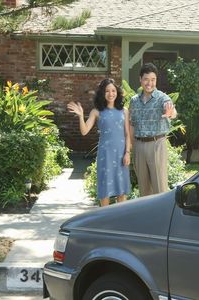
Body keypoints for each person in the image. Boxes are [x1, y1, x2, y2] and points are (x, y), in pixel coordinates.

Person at [67, 78, 131, 207]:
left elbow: (127, 134)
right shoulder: (96, 112)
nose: (111, 93)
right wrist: (80, 116)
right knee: (105, 187)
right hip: (105, 155)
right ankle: (105, 218)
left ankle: (120, 217)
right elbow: (84, 131)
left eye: (113, 90)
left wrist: (127, 153)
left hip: (121, 154)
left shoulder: (124, 111)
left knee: (121, 187)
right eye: (107, 91)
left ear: (117, 92)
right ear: (102, 93)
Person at [129, 63, 177, 196]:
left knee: (159, 187)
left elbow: (172, 111)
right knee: (143, 189)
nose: (149, 83)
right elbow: (132, 124)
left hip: (156, 145)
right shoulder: (134, 101)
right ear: (140, 79)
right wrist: (132, 148)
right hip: (138, 146)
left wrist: (170, 113)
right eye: (146, 79)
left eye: (153, 79)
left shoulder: (163, 98)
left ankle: (162, 216)